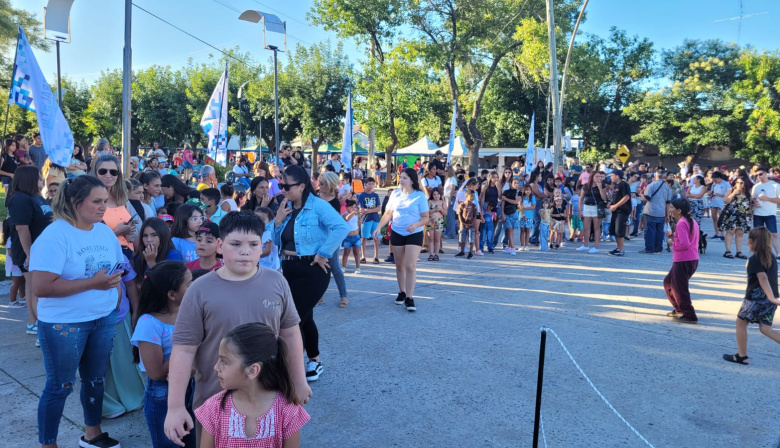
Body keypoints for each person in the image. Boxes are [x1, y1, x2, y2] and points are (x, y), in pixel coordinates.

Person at [164, 212, 311, 446]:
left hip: (271, 396)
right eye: (236, 244)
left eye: (253, 244)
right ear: (220, 245)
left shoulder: (277, 282)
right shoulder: (199, 290)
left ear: (262, 246)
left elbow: (291, 333)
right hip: (214, 400)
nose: (245, 251)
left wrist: (298, 380)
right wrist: (175, 406)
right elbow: (183, 350)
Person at [31, 175, 124, 448]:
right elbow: (42, 287)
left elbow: (117, 266)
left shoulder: (104, 231)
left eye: (105, 201)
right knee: (60, 386)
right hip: (65, 324)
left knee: (95, 380)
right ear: (74, 201)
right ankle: (49, 443)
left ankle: (92, 434)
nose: (103, 207)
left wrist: (114, 295)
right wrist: (94, 283)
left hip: (102, 318)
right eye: (96, 201)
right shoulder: (55, 236)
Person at [274, 165, 349, 380]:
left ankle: (290, 364)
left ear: (301, 185)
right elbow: (276, 239)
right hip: (288, 268)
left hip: (312, 269)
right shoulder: (286, 206)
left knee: (293, 318)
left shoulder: (318, 206)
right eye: (281, 185)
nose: (282, 190)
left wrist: (324, 253)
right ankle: (314, 360)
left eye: (286, 186)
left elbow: (341, 228)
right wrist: (277, 222)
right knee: (305, 317)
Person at [194, 322, 309, 448]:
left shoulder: (288, 411)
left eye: (224, 361)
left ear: (252, 370)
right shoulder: (213, 408)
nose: (216, 367)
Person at [132, 261, 195, 448]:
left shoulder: (189, 313)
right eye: (189, 284)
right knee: (170, 443)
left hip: (191, 387)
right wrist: (188, 351)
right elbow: (156, 372)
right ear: (172, 295)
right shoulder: (149, 323)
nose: (194, 287)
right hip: (163, 395)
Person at [373, 168, 430, 311]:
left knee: (410, 265)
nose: (401, 180)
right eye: (401, 177)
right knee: (399, 265)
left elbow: (425, 218)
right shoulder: (395, 194)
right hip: (397, 231)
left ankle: (410, 298)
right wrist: (379, 227)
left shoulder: (419, 196)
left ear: (412, 180)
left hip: (414, 233)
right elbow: (388, 213)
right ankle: (402, 292)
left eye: (404, 178)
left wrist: (416, 224)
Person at [6, 166, 53, 337]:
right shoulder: (19, 198)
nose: (42, 179)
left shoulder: (37, 197)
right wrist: (30, 254)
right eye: (39, 176)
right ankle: (41, 327)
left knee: (35, 288)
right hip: (30, 251)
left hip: (42, 251)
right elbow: (21, 228)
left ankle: (34, 323)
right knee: (36, 289)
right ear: (29, 179)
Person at [723, 227, 780, 364]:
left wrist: (771, 297)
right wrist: (772, 298)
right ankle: (741, 355)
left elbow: (763, 278)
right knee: (765, 328)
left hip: (755, 299)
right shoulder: (771, 255)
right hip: (769, 299)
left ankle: (742, 355)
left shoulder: (755, 259)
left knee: (741, 323)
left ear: (750, 242)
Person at [91, 155, 141, 259]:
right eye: (103, 171)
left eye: (113, 172)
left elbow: (134, 235)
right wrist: (117, 232)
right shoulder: (89, 200)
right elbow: (88, 238)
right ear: (95, 172)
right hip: (104, 256)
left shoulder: (122, 199)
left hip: (127, 255)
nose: (108, 175)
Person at [316, 171, 350, 308]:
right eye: (319, 182)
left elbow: (334, 223)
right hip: (317, 236)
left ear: (330, 184)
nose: (319, 185)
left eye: (323, 183)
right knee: (318, 266)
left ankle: (344, 296)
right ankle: (319, 295)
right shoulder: (314, 196)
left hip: (331, 237)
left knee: (334, 266)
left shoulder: (334, 201)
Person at [663, 199, 700, 324]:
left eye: (672, 207)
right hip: (690, 258)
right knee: (669, 283)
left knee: (679, 288)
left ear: (679, 211)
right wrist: (673, 237)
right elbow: (686, 238)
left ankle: (689, 314)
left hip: (684, 259)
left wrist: (672, 243)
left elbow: (684, 244)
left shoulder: (682, 223)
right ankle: (679, 309)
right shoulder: (690, 221)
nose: (670, 209)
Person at [133, 217, 183, 282]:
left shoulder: (173, 255)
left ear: (163, 236)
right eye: (145, 236)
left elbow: (167, 283)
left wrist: (151, 262)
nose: (149, 240)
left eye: (154, 235)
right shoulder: (140, 257)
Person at [639, 170, 673, 254]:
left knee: (650, 230)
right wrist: (667, 214)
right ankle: (658, 248)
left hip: (651, 210)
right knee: (659, 231)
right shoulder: (668, 188)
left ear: (655, 176)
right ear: (664, 177)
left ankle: (649, 248)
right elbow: (668, 203)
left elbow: (647, 198)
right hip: (661, 212)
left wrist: (641, 195)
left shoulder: (651, 185)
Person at [719, 177, 752, 259]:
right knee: (730, 231)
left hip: (743, 215)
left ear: (745, 184)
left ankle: (739, 251)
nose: (739, 184)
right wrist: (733, 194)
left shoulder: (747, 193)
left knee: (740, 233)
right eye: (737, 182)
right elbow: (725, 201)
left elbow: (750, 204)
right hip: (732, 214)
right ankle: (728, 251)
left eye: (741, 183)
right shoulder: (731, 190)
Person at [751, 168, 780, 258]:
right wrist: (754, 202)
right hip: (758, 213)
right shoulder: (756, 186)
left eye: (760, 174)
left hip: (770, 213)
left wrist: (768, 199)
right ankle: (758, 253)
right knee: (758, 235)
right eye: (757, 175)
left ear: (766, 173)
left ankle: (778, 253)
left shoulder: (775, 185)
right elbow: (752, 199)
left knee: (773, 234)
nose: (759, 176)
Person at [578, 171, 607, 254]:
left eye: (600, 177)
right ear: (592, 177)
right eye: (597, 176)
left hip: (596, 207)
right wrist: (580, 210)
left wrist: (600, 188)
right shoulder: (586, 186)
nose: (599, 178)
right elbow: (581, 198)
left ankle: (596, 246)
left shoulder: (602, 185)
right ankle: (585, 245)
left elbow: (604, 198)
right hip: (587, 207)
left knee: (596, 227)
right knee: (586, 227)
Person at [357, 177, 381, 264]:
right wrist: (370, 210)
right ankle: (363, 256)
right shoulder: (361, 196)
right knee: (364, 237)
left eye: (372, 184)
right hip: (365, 219)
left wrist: (369, 210)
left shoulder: (375, 195)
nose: (371, 186)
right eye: (369, 184)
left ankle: (376, 256)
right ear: (365, 185)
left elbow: (378, 208)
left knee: (376, 238)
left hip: (375, 219)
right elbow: (362, 209)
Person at [608, 170, 631, 256]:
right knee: (615, 231)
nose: (611, 177)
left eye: (612, 175)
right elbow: (616, 197)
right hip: (616, 210)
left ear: (617, 176)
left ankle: (621, 250)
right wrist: (611, 204)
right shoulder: (616, 185)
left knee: (620, 230)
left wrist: (616, 206)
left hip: (622, 210)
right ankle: (619, 248)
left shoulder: (624, 184)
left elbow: (626, 197)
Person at [254, 206, 280, 272]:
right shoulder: (260, 233)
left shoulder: (268, 233)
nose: (259, 222)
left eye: (262, 219)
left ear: (270, 221)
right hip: (263, 264)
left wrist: (254, 254)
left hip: (270, 266)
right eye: (256, 219)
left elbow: (267, 251)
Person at [457, 189, 481, 259]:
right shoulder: (462, 205)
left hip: (471, 225)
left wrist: (472, 223)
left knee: (471, 239)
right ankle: (462, 251)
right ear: (466, 196)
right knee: (462, 239)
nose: (472, 197)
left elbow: (475, 216)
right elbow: (459, 215)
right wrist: (462, 222)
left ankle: (470, 252)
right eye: (471, 196)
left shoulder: (474, 206)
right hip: (463, 225)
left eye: (473, 196)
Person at [341, 199, 362, 273]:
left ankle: (358, 267)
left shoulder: (356, 215)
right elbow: (347, 218)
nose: (353, 209)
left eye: (355, 207)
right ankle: (343, 266)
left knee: (356, 252)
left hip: (356, 236)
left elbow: (358, 222)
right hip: (348, 237)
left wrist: (359, 230)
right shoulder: (345, 214)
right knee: (346, 252)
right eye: (351, 207)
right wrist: (354, 212)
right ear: (347, 207)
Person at [709, 171, 729, 240]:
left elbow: (729, 194)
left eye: (715, 179)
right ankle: (716, 233)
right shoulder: (714, 184)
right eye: (713, 179)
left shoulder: (726, 184)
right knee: (714, 218)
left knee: (722, 219)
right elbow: (711, 192)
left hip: (722, 203)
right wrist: (710, 195)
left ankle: (722, 234)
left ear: (719, 178)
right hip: (714, 202)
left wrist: (719, 195)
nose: (714, 181)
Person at [427, 188, 445, 260]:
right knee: (431, 238)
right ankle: (431, 254)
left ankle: (436, 254)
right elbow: (426, 212)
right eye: (434, 194)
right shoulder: (430, 201)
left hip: (439, 220)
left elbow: (445, 213)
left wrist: (441, 209)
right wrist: (434, 210)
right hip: (430, 220)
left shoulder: (443, 202)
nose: (436, 196)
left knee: (437, 238)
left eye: (438, 194)